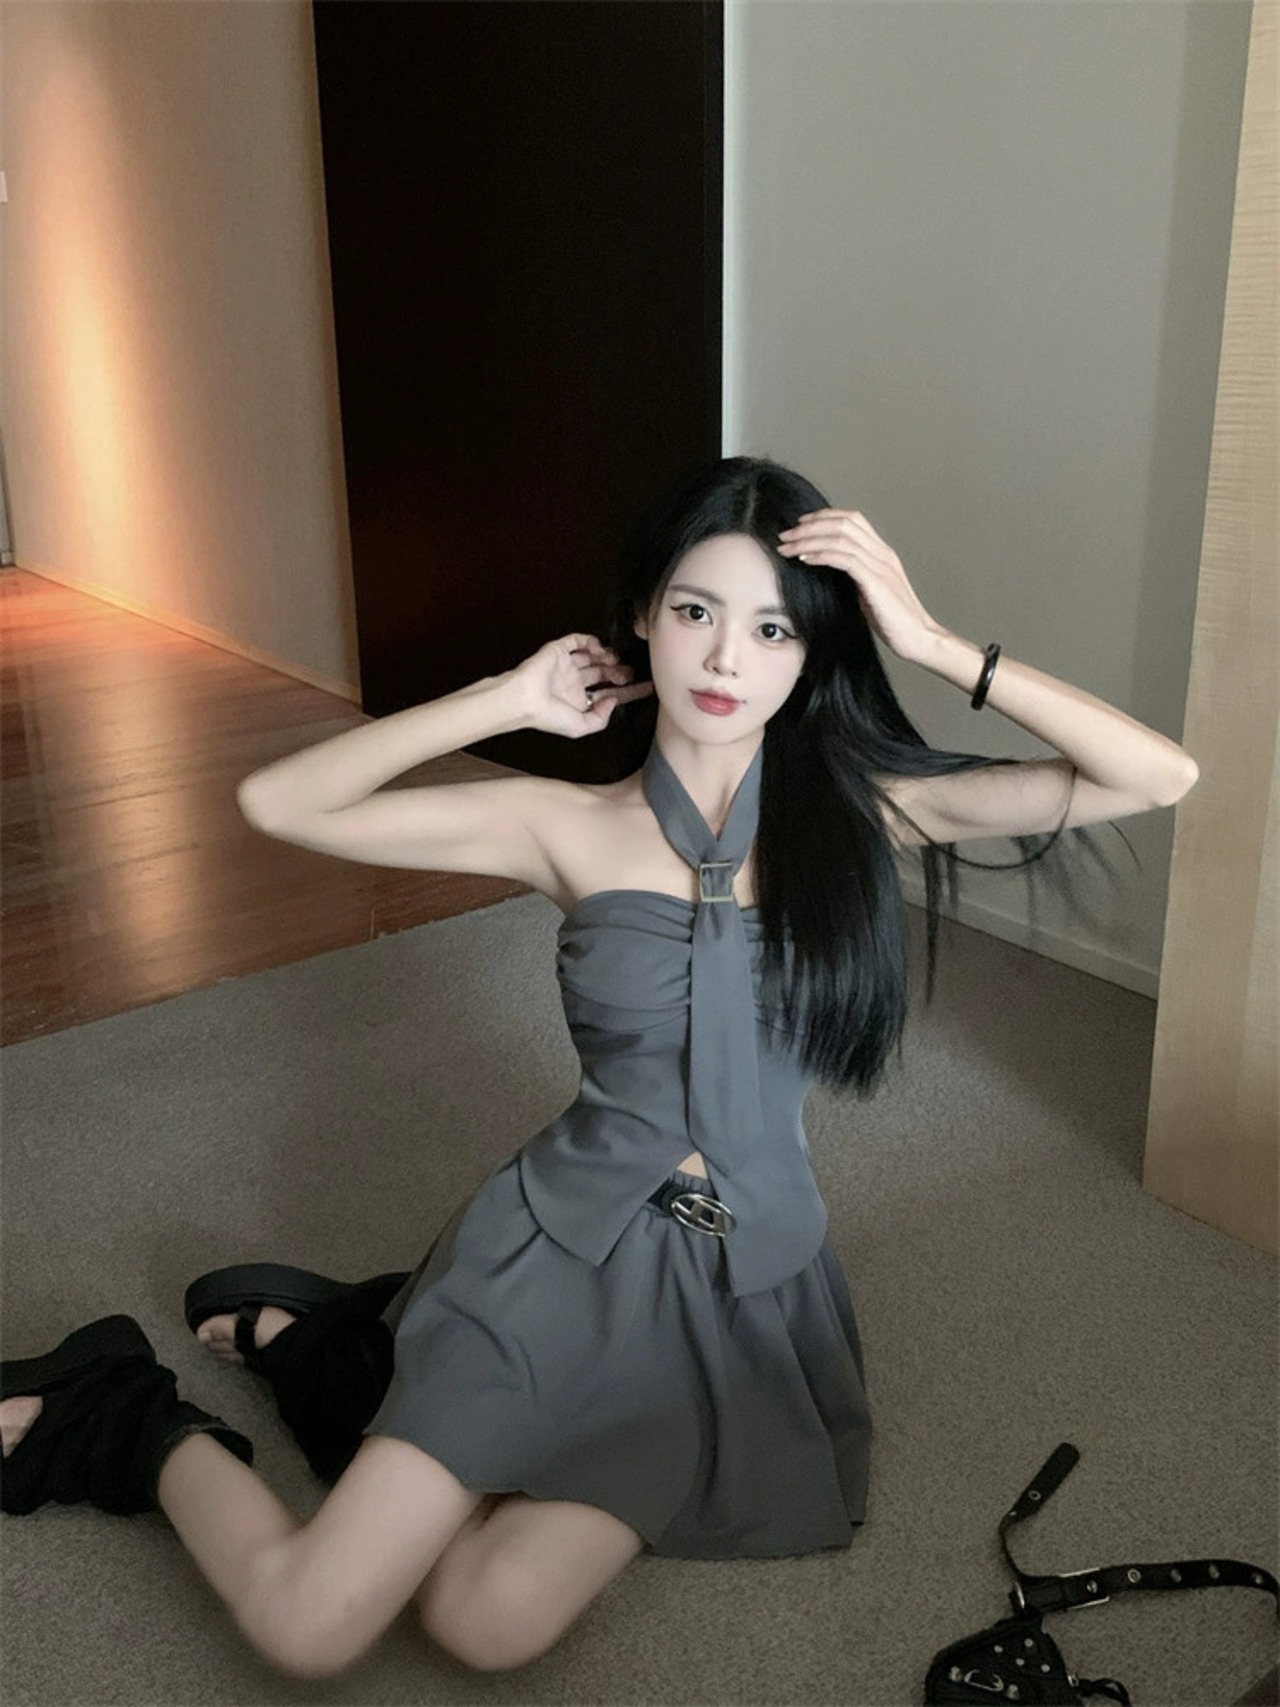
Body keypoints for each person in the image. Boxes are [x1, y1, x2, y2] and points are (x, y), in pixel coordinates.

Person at [0, 455, 1198, 1677]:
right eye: (695, 612)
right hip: (558, 1250)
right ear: (640, 617)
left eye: (772, 629)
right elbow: (279, 800)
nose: (725, 660)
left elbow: (1156, 776)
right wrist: (501, 701)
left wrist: (930, 642)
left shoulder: (859, 814)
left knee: (483, 1623)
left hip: (737, 1285)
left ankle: (328, 1354)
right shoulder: (560, 826)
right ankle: (129, 1418)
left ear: (811, 651)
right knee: (310, 1628)